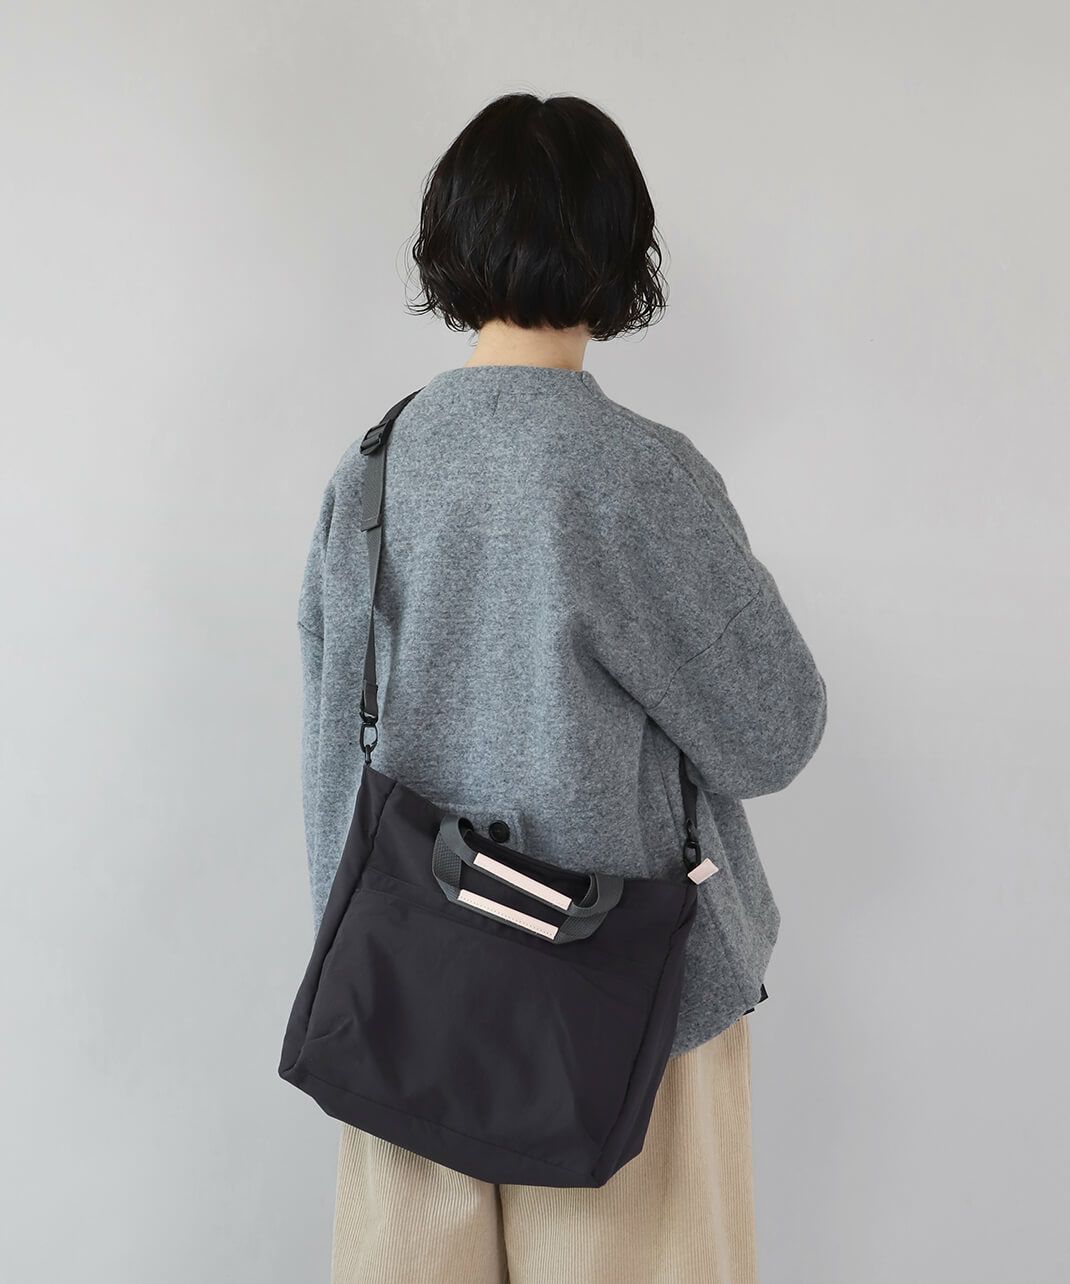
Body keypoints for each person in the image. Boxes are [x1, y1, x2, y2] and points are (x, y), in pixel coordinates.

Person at [297, 92, 827, 1284]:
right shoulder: (633, 474)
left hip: (404, 1002)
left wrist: (370, 959)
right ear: (616, 249)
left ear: (450, 238)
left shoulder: (371, 470)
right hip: (623, 1013)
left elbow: (332, 752)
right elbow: (771, 733)